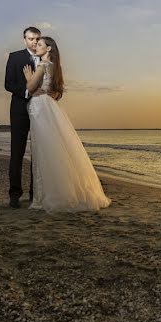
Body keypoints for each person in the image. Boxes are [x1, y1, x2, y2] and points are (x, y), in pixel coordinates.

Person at [22, 36, 111, 212]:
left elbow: (31, 88)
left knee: (45, 151)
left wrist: (28, 76)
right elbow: (55, 91)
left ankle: (52, 195)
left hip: (41, 108)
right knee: (55, 149)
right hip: (49, 106)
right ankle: (59, 192)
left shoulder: (42, 65)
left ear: (48, 49)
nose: (36, 47)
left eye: (40, 45)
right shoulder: (56, 68)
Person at [4, 26, 41, 208]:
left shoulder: (44, 57)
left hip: (41, 111)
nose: (34, 42)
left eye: (36, 39)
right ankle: (14, 194)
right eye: (30, 39)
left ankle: (35, 193)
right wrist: (28, 92)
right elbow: (8, 84)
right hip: (19, 109)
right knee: (16, 152)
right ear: (24, 39)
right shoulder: (15, 57)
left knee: (39, 153)